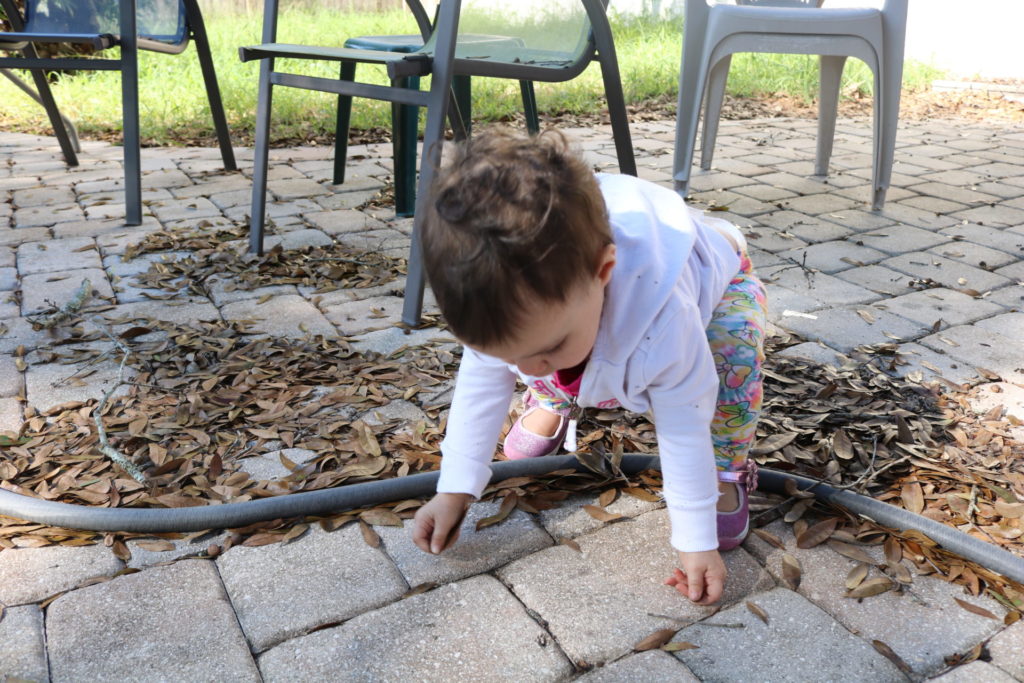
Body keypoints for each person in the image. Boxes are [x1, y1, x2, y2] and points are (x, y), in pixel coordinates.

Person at [411, 129, 766, 605]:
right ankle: (555, 396)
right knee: (550, 354)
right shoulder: (513, 304)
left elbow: (684, 423)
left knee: (731, 357)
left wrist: (694, 537)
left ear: (603, 273)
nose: (524, 367)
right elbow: (481, 382)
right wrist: (455, 488)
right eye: (511, 358)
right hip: (592, 308)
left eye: (546, 348)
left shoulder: (666, 321)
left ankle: (727, 468)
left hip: (714, 277)